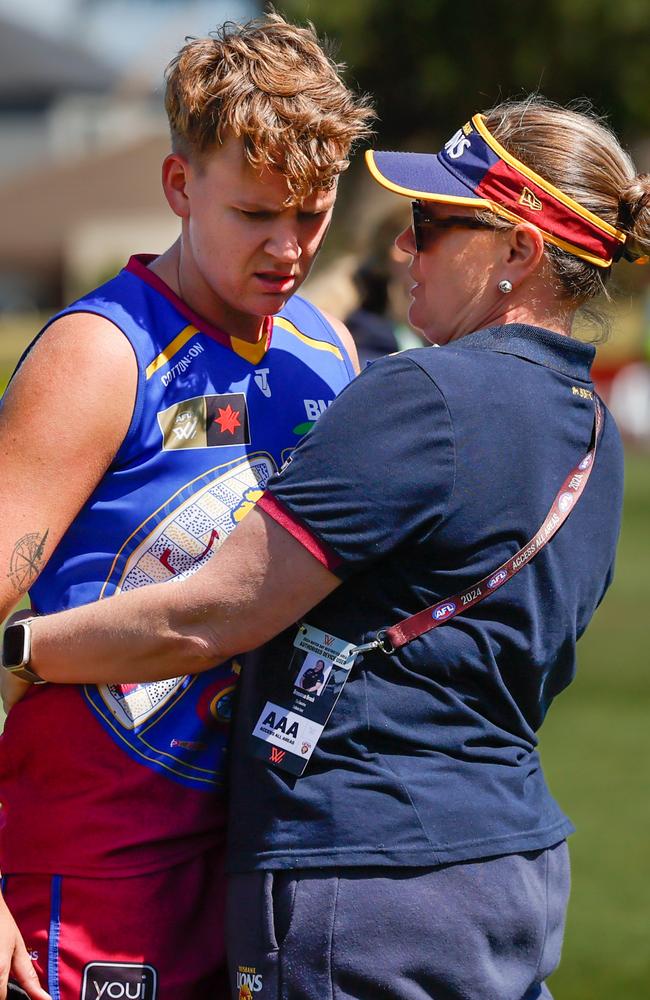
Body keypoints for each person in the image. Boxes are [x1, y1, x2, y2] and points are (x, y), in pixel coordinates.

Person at [4, 97, 650, 999]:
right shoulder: (594, 432)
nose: (400, 247)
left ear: (519, 251)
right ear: (179, 187)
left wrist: (22, 652)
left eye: (431, 225)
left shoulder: (416, 392)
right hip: (512, 867)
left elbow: (210, 616)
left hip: (367, 878)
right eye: (257, 213)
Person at [0, 11, 373, 1000]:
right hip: (86, 888)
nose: (289, 247)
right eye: (256, 214)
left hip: (264, 872)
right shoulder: (100, 355)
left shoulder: (325, 348)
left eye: (313, 211)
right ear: (178, 187)